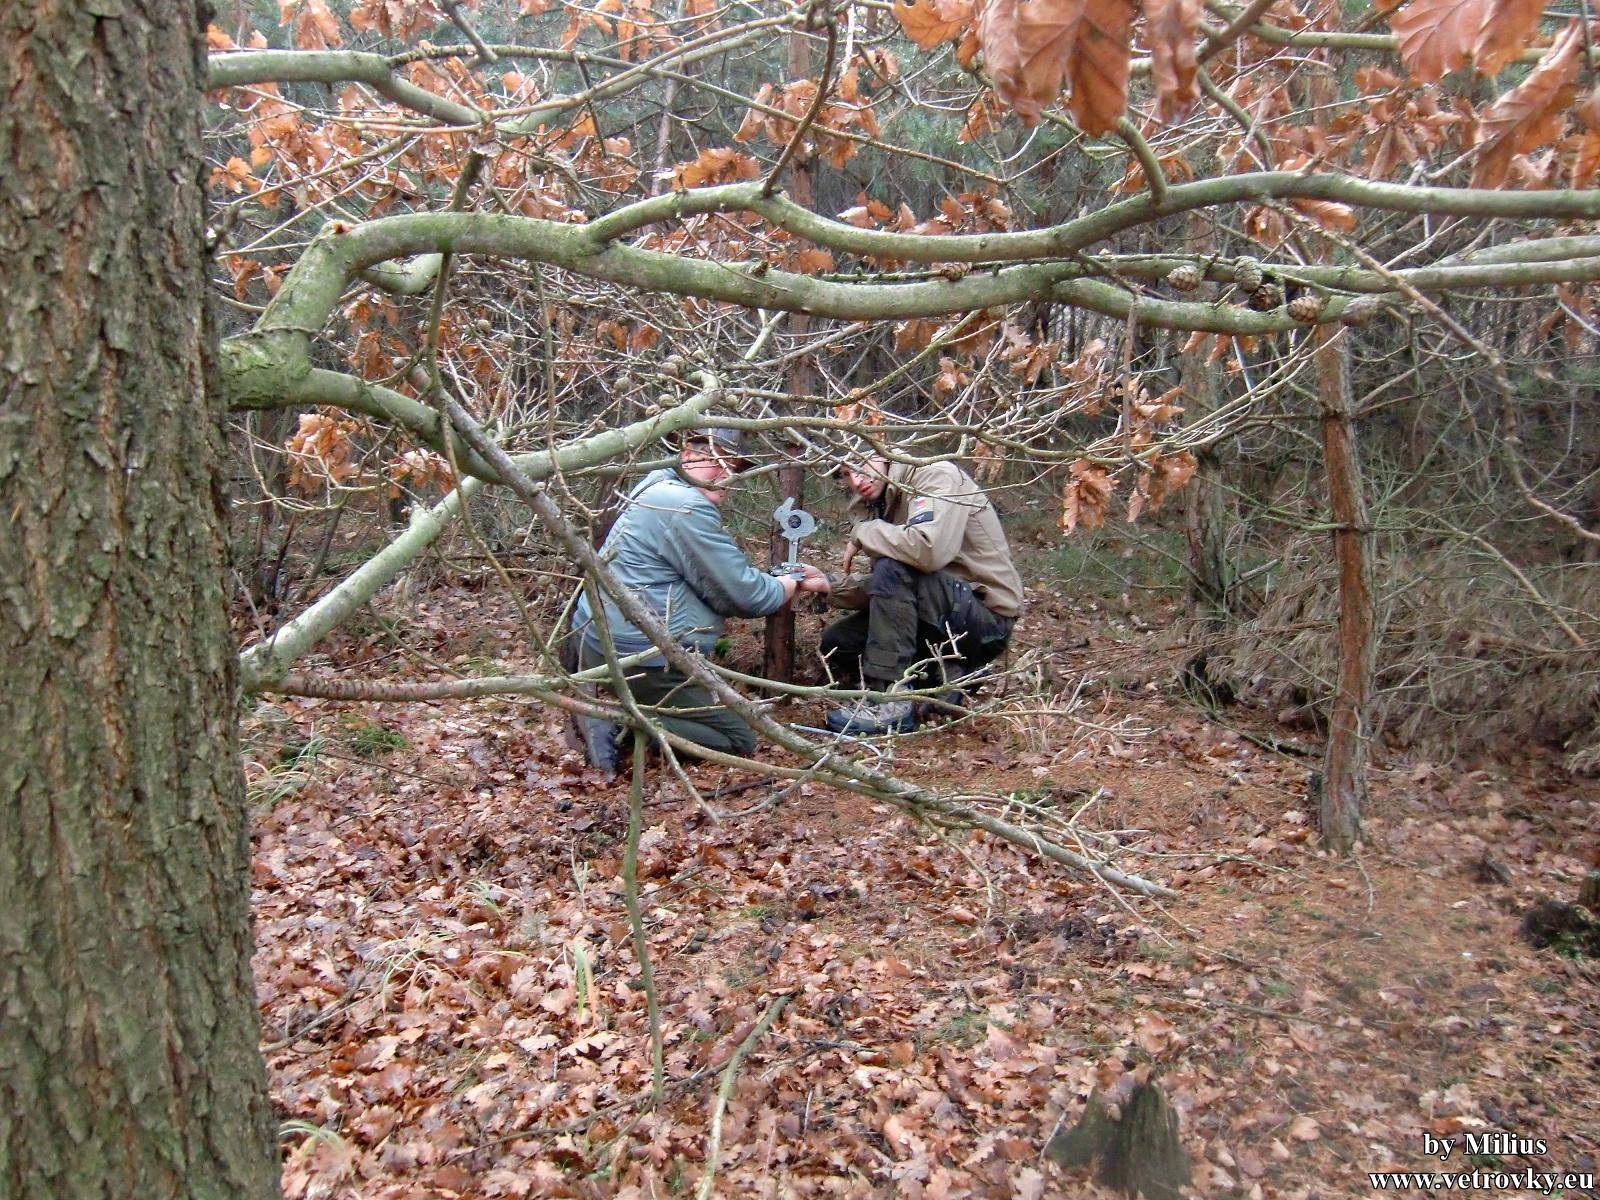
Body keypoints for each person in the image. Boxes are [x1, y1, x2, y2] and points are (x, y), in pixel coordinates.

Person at [567, 424, 829, 773]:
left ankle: (619, 709)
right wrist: (788, 583)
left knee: (710, 711)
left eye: (733, 467)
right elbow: (746, 595)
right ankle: (619, 721)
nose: (726, 475)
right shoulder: (684, 506)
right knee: (737, 738)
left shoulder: (656, 486)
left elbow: (708, 572)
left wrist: (772, 580)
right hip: (639, 654)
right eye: (717, 462)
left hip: (602, 637)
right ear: (687, 455)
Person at [819, 449, 1023, 735]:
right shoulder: (880, 499)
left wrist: (863, 532)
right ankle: (948, 676)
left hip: (985, 619)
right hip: (940, 612)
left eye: (861, 466)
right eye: (845, 474)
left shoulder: (934, 475)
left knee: (892, 564)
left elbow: (926, 551)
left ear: (882, 451)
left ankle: (891, 700)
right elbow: (892, 590)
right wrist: (829, 585)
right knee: (838, 644)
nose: (856, 480)